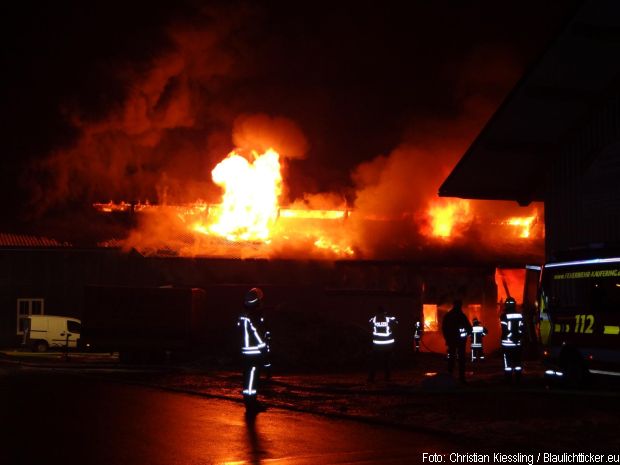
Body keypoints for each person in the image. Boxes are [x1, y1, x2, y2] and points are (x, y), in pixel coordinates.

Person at [238, 287, 268, 413]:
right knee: (252, 378)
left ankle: (251, 401)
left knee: (248, 378)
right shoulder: (252, 316)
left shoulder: (243, 315)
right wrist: (263, 347)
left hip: (246, 352)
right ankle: (251, 404)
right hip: (254, 352)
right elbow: (256, 333)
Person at [441, 299, 472, 383]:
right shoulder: (462, 316)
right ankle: (461, 378)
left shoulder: (448, 315)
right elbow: (469, 328)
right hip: (461, 342)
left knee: (451, 358)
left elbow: (444, 328)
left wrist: (447, 338)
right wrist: (466, 336)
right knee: (461, 359)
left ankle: (450, 376)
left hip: (452, 341)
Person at [368, 306, 398, 382]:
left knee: (374, 363)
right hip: (387, 345)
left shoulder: (373, 319)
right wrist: (388, 315)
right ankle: (387, 378)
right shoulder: (388, 319)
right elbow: (396, 322)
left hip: (377, 346)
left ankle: (371, 378)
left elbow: (369, 323)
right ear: (384, 312)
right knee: (386, 362)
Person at [500, 297, 524, 383]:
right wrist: (518, 337)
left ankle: (508, 378)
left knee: (508, 362)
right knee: (517, 361)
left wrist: (510, 336)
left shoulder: (503, 316)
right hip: (517, 343)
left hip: (507, 343)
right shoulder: (520, 315)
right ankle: (518, 378)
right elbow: (522, 329)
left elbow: (504, 330)